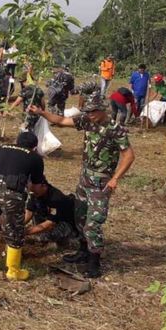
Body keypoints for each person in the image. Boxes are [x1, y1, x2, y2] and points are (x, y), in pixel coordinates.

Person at [28, 92, 135, 278]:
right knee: (80, 217)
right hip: (85, 179)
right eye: (87, 111)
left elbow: (129, 155)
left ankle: (94, 263)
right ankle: (83, 251)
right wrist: (41, 112)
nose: (90, 114)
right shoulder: (86, 121)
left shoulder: (115, 129)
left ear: (102, 109)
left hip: (101, 182)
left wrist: (115, 178)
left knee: (93, 223)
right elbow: (61, 120)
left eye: (93, 111)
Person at [0, 132, 45, 280]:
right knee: (14, 229)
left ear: (16, 141)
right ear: (34, 147)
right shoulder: (35, 157)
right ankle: (13, 271)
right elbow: (36, 185)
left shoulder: (1, 148)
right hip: (11, 191)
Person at [25, 180, 79, 247]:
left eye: (34, 189)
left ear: (44, 185)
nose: (32, 191)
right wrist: (18, 226)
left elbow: (49, 224)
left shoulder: (56, 199)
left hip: (65, 223)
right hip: (49, 220)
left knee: (44, 238)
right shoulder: (35, 193)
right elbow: (29, 212)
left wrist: (25, 232)